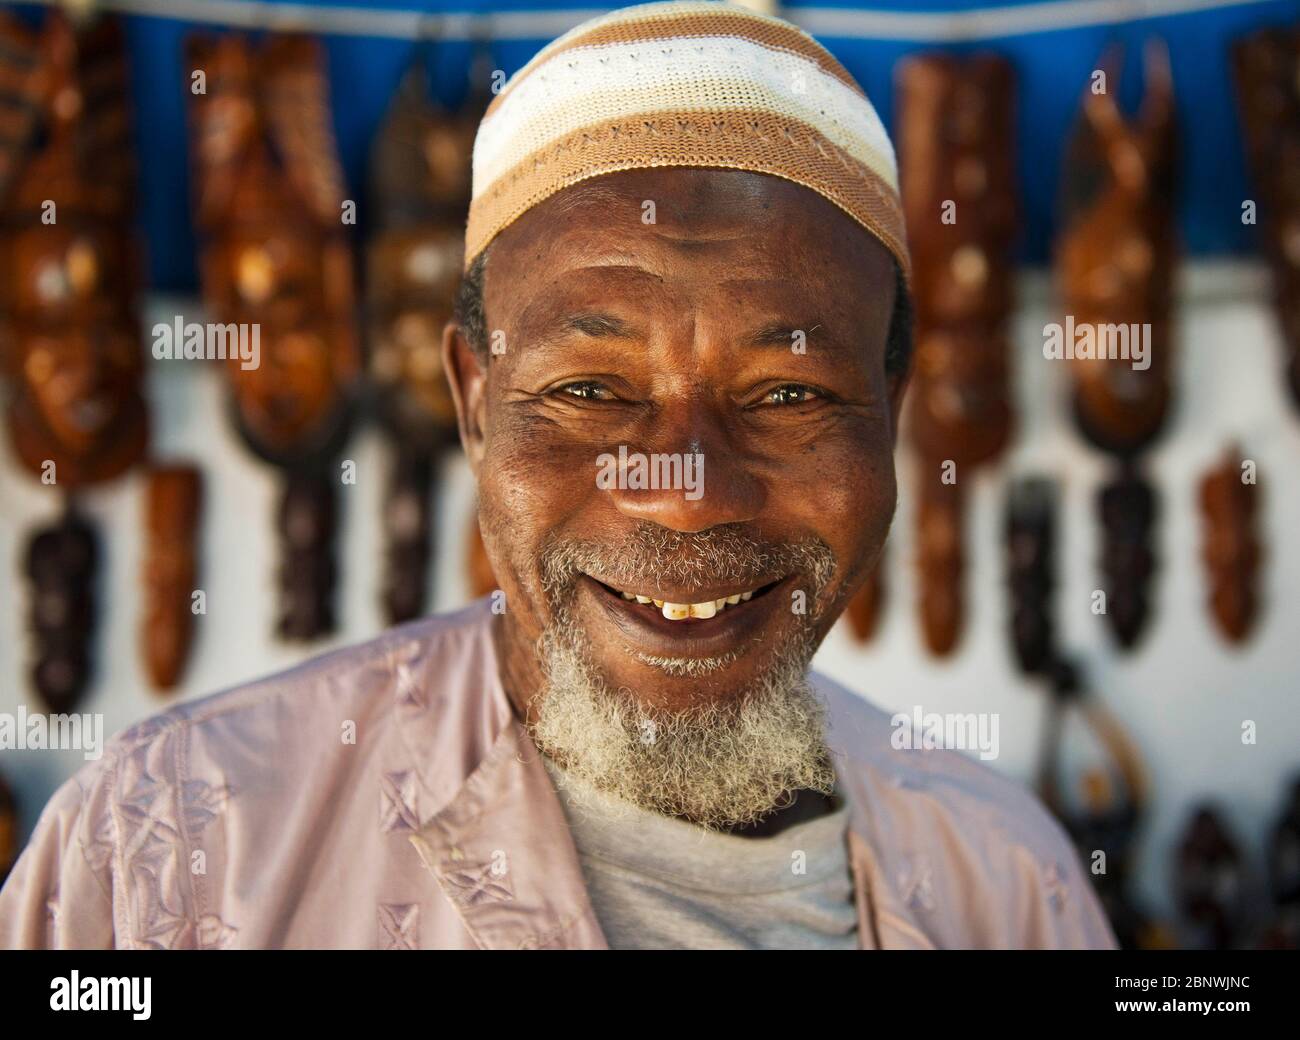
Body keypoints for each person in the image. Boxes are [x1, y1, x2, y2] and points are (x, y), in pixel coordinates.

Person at [0, 1, 1115, 950]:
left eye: (789, 394)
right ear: (472, 400)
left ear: (893, 410)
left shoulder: (1009, 885)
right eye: (590, 390)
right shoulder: (165, 858)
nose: (684, 487)